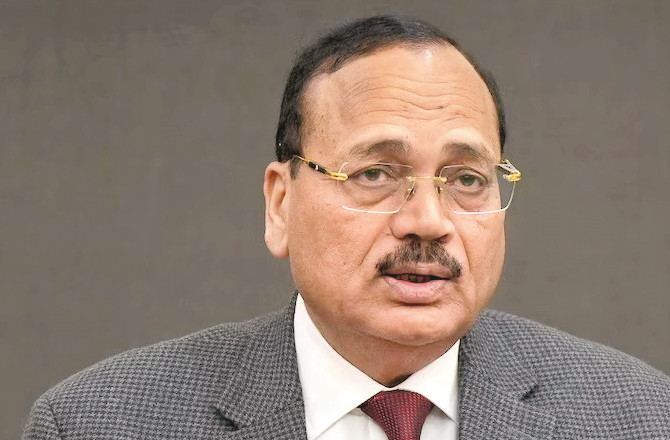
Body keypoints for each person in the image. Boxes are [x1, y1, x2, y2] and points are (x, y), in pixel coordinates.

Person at [23, 15, 669, 440]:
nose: (428, 221)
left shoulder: (638, 417)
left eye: (467, 179)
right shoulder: (97, 423)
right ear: (280, 204)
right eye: (375, 173)